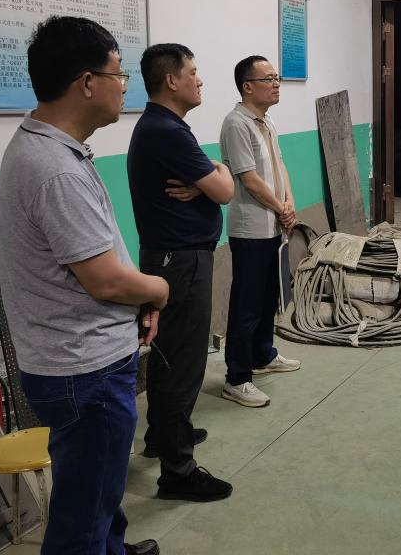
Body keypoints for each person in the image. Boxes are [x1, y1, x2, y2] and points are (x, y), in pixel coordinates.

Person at [0, 16, 167, 555]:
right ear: (87, 83)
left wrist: (137, 298)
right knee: (82, 518)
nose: (124, 87)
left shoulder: (47, 148)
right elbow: (105, 280)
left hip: (76, 359)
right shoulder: (56, 170)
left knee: (98, 491)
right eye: (119, 74)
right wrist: (157, 289)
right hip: (84, 369)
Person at [126, 43, 234, 502]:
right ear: (171, 80)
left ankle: (162, 435)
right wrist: (215, 176)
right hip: (180, 262)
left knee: (170, 357)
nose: (199, 79)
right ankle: (178, 471)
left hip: (174, 258)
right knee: (183, 364)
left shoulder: (161, 128)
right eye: (192, 71)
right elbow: (225, 190)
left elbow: (216, 181)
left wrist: (211, 177)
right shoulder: (167, 132)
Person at [218, 56, 301, 407]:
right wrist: (281, 207)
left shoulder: (266, 122)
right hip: (251, 229)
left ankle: (263, 354)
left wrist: (290, 202)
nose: (276, 84)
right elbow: (249, 179)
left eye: (276, 77)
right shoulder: (236, 124)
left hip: (274, 225)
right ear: (247, 86)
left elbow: (279, 164)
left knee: (269, 297)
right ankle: (237, 378)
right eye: (269, 79)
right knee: (247, 304)